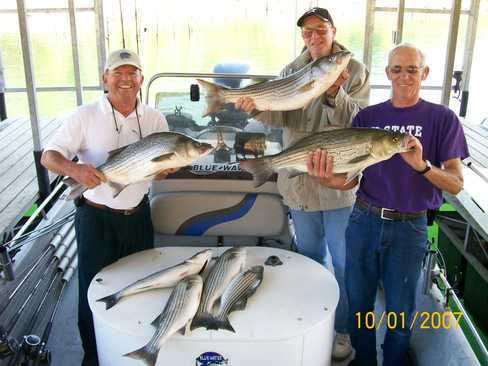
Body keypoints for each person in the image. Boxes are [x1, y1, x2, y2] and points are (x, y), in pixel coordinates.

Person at [306, 43, 468, 365]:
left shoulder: (443, 118)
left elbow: (456, 184)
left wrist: (422, 166)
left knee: (400, 310)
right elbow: (350, 179)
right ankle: (364, 361)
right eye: (397, 69)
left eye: (412, 69)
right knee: (360, 304)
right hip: (364, 220)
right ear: (388, 73)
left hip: (410, 227)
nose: (404, 76)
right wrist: (326, 179)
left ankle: (393, 361)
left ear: (425, 73)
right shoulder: (369, 116)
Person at [235, 7, 370, 361]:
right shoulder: (291, 72)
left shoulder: (353, 70)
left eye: (320, 30)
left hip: (339, 186)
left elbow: (360, 122)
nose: (314, 36)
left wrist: (333, 94)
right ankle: (312, 322)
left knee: (344, 264)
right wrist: (255, 108)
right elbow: (279, 114)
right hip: (299, 184)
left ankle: (341, 331)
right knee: (310, 258)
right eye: (307, 32)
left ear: (333, 30)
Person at [41, 49, 176, 366]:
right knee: (92, 288)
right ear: (105, 78)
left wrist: (164, 169)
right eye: (118, 72)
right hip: (96, 219)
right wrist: (76, 171)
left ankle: (132, 346)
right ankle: (93, 354)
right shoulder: (85, 116)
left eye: (133, 73)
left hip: (139, 215)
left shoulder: (155, 118)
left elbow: (157, 166)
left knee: (140, 283)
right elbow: (50, 156)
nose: (126, 80)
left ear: (142, 79)